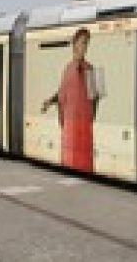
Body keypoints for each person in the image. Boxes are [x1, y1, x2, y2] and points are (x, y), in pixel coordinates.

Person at [42, 27, 99, 172]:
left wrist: (90, 117)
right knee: (69, 161)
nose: (85, 47)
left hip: (84, 123)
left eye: (87, 43)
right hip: (69, 123)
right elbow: (62, 93)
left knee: (84, 162)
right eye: (82, 42)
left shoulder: (91, 69)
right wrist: (49, 101)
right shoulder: (67, 69)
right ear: (75, 44)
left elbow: (96, 96)